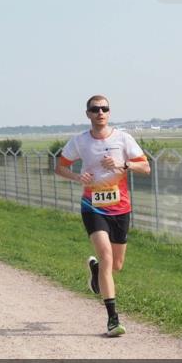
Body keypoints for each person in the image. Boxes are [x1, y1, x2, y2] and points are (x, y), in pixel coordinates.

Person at [55, 95, 149, 337]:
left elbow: (145, 167)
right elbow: (60, 167)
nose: (100, 112)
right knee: (106, 256)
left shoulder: (123, 139)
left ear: (109, 113)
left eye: (104, 108)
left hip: (121, 208)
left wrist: (123, 164)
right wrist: (77, 177)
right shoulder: (80, 141)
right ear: (88, 114)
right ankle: (112, 320)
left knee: (116, 265)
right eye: (95, 109)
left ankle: (96, 271)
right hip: (93, 207)